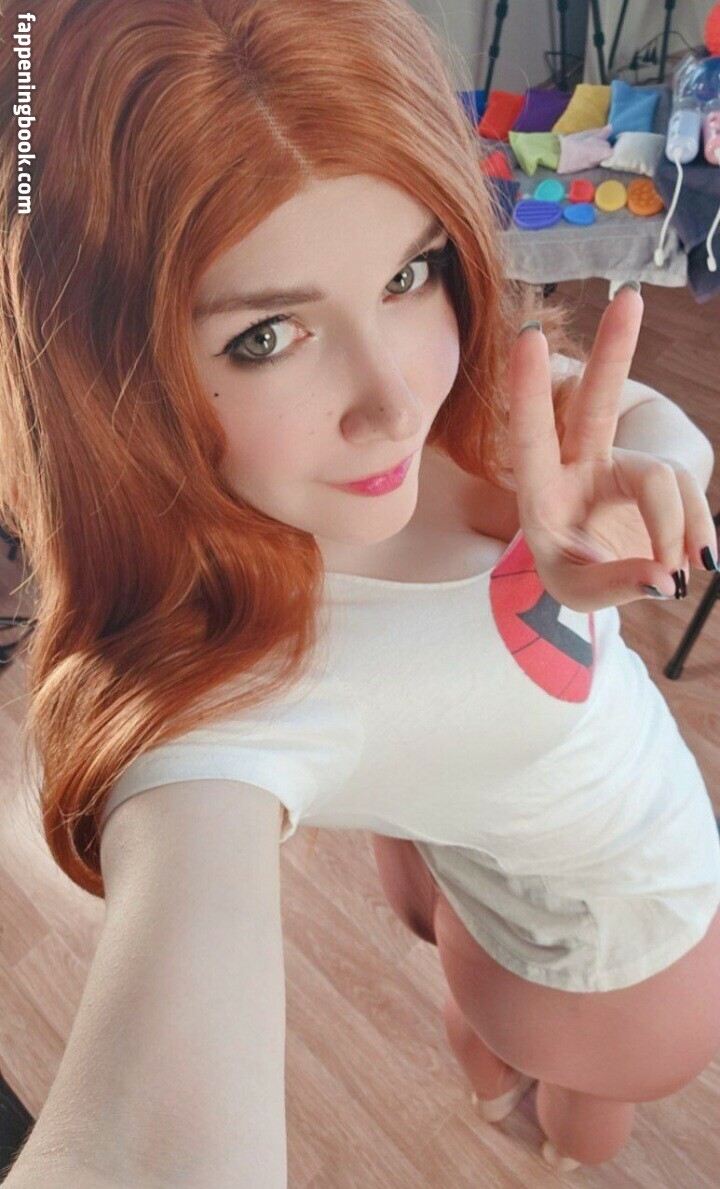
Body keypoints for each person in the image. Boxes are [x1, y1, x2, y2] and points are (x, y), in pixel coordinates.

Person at [1, 0, 719, 1183]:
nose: (397, 400)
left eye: (408, 272)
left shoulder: (477, 399)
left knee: (480, 1033)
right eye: (266, 336)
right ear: (109, 387)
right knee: (584, 1124)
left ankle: (491, 1084)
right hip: (608, 955)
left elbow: (646, 418)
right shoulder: (223, 700)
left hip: (495, 882)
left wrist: (655, 483)